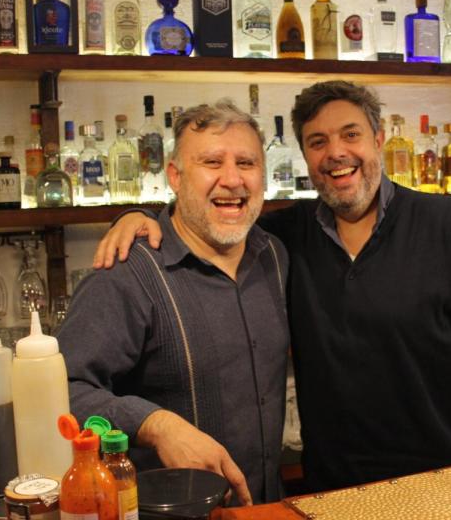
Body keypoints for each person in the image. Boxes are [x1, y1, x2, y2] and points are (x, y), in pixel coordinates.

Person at [94, 81, 451, 492]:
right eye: (317, 141)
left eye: (350, 134)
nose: (336, 153)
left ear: (379, 139)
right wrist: (143, 216)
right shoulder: (284, 240)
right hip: (331, 494)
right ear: (305, 157)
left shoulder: (447, 227)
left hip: (445, 484)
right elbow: (211, 209)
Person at [57, 101, 290, 505]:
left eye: (247, 163)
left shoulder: (275, 255)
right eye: (212, 162)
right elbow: (61, 389)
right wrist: (155, 424)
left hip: (265, 506)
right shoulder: (126, 272)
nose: (232, 179)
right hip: (163, 512)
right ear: (175, 177)